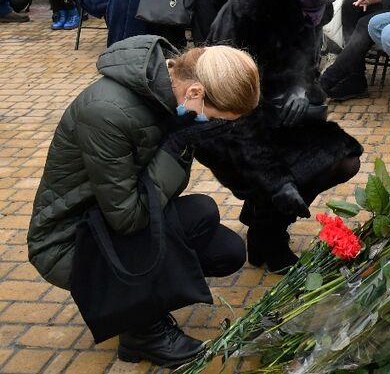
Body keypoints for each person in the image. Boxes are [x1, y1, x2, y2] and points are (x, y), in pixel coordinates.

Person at [28, 35, 260, 366]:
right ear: (195, 93)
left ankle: (142, 306)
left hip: (107, 218)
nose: (216, 125)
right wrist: (176, 144)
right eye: (219, 117)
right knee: (197, 215)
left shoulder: (172, 91)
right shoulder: (107, 112)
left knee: (220, 242)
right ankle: (142, 333)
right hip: (69, 240)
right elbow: (129, 218)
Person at [200, 0, 363, 272]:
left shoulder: (311, 9)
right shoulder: (249, 8)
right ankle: (269, 232)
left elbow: (307, 73)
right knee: (283, 180)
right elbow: (223, 100)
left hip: (279, 119)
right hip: (231, 126)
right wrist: (275, 179)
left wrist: (304, 94)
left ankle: (265, 221)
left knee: (344, 158)